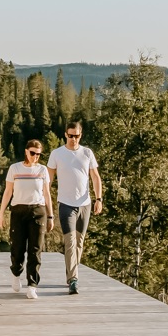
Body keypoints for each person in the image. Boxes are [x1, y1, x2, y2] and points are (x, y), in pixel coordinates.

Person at [47, 121, 102, 295]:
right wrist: (45, 201)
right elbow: (48, 179)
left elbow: (95, 177)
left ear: (81, 135)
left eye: (76, 136)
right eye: (70, 135)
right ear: (65, 135)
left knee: (79, 243)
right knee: (69, 242)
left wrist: (98, 199)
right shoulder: (57, 154)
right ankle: (73, 280)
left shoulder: (87, 153)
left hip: (84, 204)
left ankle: (71, 273)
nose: (73, 139)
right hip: (66, 204)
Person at [0, 140, 52, 300]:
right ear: (26, 152)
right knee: (18, 247)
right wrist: (1, 213)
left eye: (38, 154)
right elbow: (8, 191)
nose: (35, 157)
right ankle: (16, 273)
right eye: (33, 153)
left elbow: (47, 193)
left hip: (37, 210)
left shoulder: (42, 170)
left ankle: (32, 285)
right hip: (18, 210)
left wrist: (50, 215)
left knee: (36, 249)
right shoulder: (15, 168)